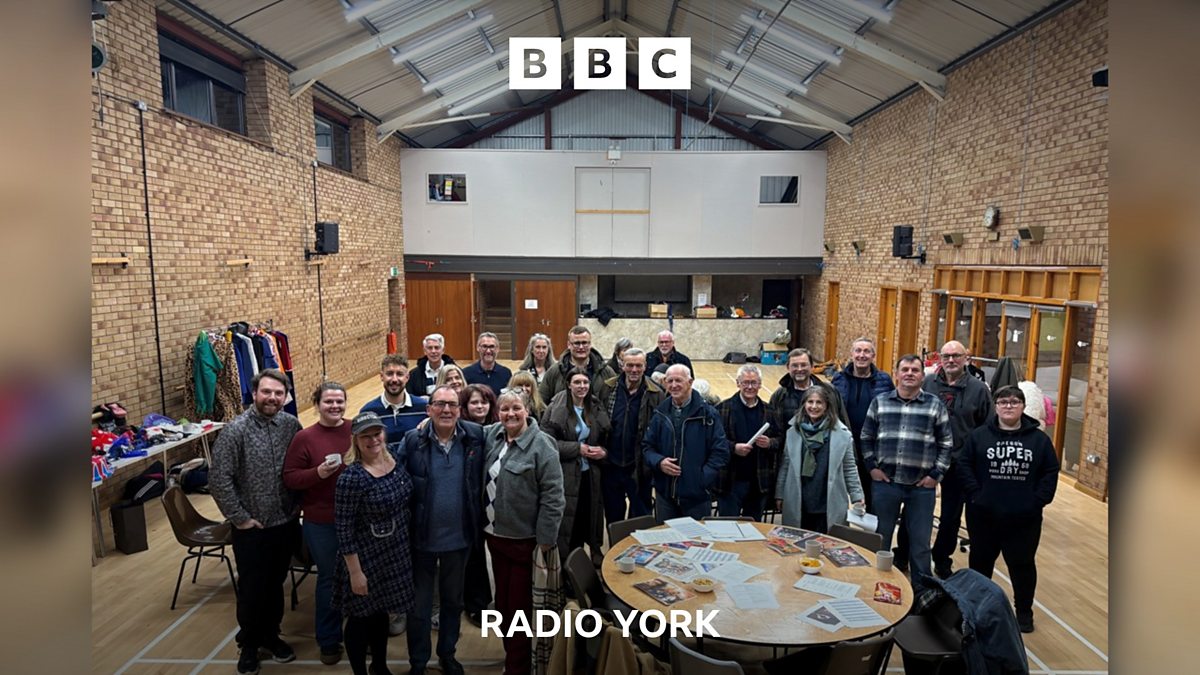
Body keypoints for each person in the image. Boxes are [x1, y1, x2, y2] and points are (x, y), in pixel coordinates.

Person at [210, 369, 303, 675]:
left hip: (285, 523)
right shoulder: (235, 431)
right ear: (254, 394)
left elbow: (300, 467)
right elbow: (219, 479)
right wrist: (240, 518)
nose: (272, 398)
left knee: (276, 585)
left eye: (278, 393)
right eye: (266, 392)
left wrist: (297, 506)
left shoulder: (290, 425)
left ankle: (271, 636)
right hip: (252, 529)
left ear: (285, 397)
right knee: (252, 588)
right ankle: (249, 644)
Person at [400, 386, 486, 674]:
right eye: (439, 404)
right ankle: (418, 662)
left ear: (460, 410)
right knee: (419, 608)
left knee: (453, 603)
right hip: (422, 541)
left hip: (459, 541)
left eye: (452, 404)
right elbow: (399, 479)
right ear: (428, 410)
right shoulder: (413, 440)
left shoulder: (476, 436)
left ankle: (447, 654)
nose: (446, 410)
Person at [960, 385, 1059, 633]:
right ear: (996, 406)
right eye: (1003, 402)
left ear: (1023, 406)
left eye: (1014, 402)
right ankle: (977, 609)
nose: (1008, 406)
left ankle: (1024, 612)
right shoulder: (979, 436)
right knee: (980, 564)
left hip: (1023, 518)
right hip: (984, 516)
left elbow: (1050, 471)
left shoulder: (1039, 440)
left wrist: (1038, 501)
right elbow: (964, 464)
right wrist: (975, 494)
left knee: (1022, 566)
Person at [483, 391, 565, 675]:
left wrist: (545, 541)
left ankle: (517, 668)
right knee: (503, 606)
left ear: (527, 410)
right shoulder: (494, 436)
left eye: (516, 408)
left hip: (525, 545)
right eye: (504, 409)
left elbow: (554, 497)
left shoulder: (542, 445)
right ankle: (512, 656)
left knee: (519, 609)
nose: (510, 414)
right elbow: (466, 429)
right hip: (495, 540)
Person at [860, 354, 954, 590]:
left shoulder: (934, 405)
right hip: (885, 484)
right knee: (880, 539)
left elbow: (946, 444)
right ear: (896, 374)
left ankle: (922, 592)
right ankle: (874, 585)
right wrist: (872, 468)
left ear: (923, 376)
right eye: (905, 370)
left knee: (920, 544)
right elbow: (866, 437)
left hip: (921, 487)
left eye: (915, 370)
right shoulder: (880, 402)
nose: (909, 374)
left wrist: (935, 475)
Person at [334, 412, 415, 675]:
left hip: (394, 553)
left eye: (376, 433)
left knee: (381, 614)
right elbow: (343, 529)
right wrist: (355, 573)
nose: (373, 440)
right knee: (360, 618)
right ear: (355, 441)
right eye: (365, 436)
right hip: (365, 558)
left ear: (384, 433)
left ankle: (379, 666)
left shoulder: (395, 460)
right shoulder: (351, 478)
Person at [282, 381, 352, 665]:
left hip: (357, 520)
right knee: (329, 579)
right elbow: (290, 477)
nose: (334, 406)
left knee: (360, 577)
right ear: (317, 405)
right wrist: (318, 473)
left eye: (339, 401)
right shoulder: (304, 438)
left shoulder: (355, 429)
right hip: (321, 521)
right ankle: (329, 639)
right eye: (328, 401)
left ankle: (360, 635)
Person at [915, 340, 993, 579]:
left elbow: (987, 427)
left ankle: (941, 558)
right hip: (925, 459)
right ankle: (906, 553)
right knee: (915, 509)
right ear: (940, 358)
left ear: (966, 358)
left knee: (950, 516)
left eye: (956, 356)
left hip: (959, 462)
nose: (951, 360)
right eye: (946, 356)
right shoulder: (927, 383)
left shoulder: (979, 389)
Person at [541, 367, 611, 565]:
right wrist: (577, 448)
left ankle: (584, 561)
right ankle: (566, 568)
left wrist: (603, 452)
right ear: (568, 385)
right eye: (577, 382)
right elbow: (546, 442)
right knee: (568, 525)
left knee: (586, 520)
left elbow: (606, 438)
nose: (582, 386)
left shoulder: (595, 405)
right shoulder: (556, 407)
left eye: (585, 382)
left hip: (590, 474)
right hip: (565, 474)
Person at [643, 364, 730, 522]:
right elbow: (647, 447)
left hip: (697, 498)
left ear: (690, 382)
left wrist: (701, 479)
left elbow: (721, 452)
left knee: (696, 537)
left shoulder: (708, 414)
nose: (674, 385)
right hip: (665, 496)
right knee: (666, 537)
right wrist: (659, 462)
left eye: (678, 380)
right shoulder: (660, 413)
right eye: (670, 381)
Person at [774, 386, 864, 533]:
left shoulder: (842, 435)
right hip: (799, 502)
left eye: (819, 402)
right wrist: (780, 494)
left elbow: (849, 468)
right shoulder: (793, 432)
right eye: (810, 402)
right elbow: (786, 465)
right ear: (804, 404)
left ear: (827, 405)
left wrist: (857, 496)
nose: (814, 406)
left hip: (827, 503)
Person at [594, 347, 663, 522]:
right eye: (630, 365)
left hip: (639, 468)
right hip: (611, 465)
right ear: (622, 365)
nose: (634, 370)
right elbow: (597, 421)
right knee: (613, 516)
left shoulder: (656, 393)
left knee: (640, 518)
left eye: (638, 366)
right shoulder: (607, 388)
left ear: (645, 366)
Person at [830, 337, 895, 512]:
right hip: (846, 444)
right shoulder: (838, 379)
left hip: (873, 447)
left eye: (867, 351)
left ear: (873, 355)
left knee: (872, 492)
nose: (862, 355)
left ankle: (872, 526)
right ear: (852, 354)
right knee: (841, 490)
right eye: (858, 351)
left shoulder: (884, 380)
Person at [715, 365, 775, 521]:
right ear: (738, 383)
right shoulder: (722, 409)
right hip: (730, 482)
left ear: (760, 384)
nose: (750, 387)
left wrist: (770, 442)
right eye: (745, 382)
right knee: (727, 527)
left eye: (754, 382)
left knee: (754, 527)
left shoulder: (770, 411)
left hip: (758, 482)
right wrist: (733, 448)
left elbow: (780, 439)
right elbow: (713, 442)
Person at [359, 355, 429, 445]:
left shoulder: (424, 408)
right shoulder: (368, 412)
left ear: (407, 377)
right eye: (389, 374)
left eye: (399, 374)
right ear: (381, 376)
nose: (394, 379)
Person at [538, 325, 616, 404]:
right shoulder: (555, 371)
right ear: (569, 345)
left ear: (590, 344)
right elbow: (540, 402)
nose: (581, 347)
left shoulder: (606, 372)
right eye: (577, 343)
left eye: (584, 343)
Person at [462, 332, 512, 397]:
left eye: (492, 347)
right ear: (478, 348)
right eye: (484, 346)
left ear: (497, 349)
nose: (488, 351)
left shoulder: (506, 373)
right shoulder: (466, 373)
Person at [407, 333, 456, 397]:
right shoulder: (414, 375)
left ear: (443, 350)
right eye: (430, 348)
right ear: (425, 351)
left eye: (437, 348)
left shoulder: (455, 372)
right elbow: (409, 396)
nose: (433, 351)